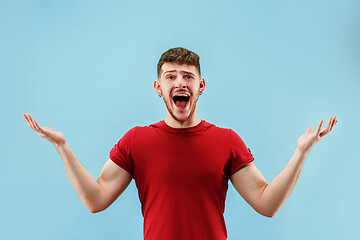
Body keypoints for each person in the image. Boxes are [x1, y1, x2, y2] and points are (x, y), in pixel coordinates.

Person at [23, 47, 337, 240]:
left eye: (187, 76)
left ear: (200, 85)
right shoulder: (136, 140)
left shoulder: (227, 140)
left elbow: (267, 204)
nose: (180, 82)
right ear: (158, 87)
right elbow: (96, 199)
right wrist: (63, 147)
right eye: (171, 77)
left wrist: (300, 152)